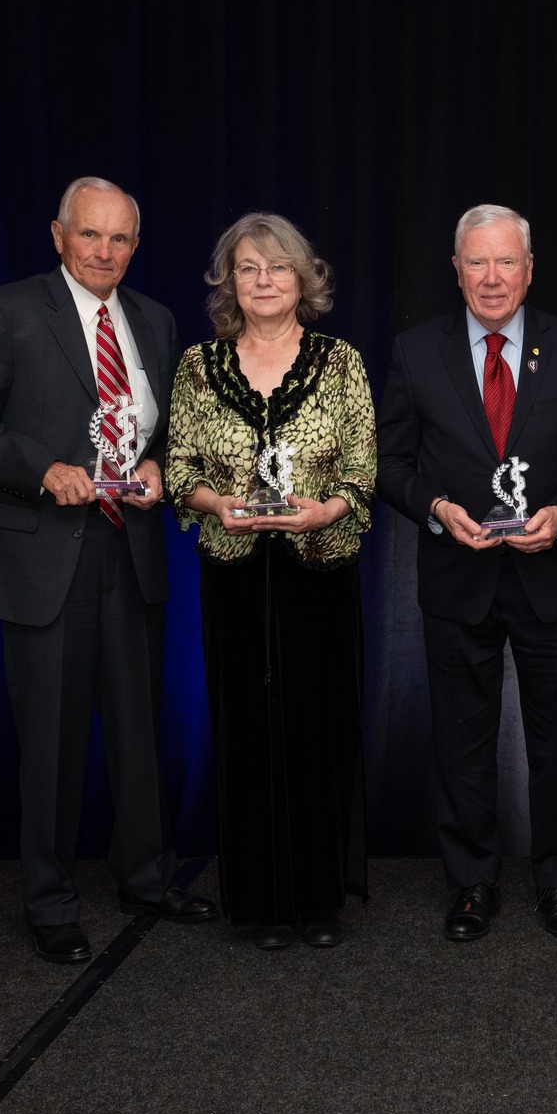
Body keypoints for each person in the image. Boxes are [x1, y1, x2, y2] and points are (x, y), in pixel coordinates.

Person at [0, 176, 218, 963]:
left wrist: (161, 465)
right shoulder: (8, 310)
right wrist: (41, 468)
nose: (105, 251)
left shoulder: (156, 321)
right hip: (43, 551)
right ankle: (50, 901)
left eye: (120, 238)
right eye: (89, 235)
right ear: (58, 236)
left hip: (129, 545)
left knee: (138, 730)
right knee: (51, 740)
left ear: (136, 244)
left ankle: (147, 877)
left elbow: (162, 430)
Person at [377, 204, 557, 941]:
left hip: (556, 579)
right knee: (462, 741)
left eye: (505, 261)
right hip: (459, 577)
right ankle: (473, 883)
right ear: (455, 269)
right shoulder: (418, 352)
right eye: (475, 262)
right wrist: (437, 506)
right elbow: (387, 461)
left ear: (529, 268)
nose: (491, 277)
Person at [165, 212, 377, 950]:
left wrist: (327, 509)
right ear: (230, 280)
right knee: (246, 734)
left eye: (278, 267)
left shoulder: (341, 361)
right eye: (249, 268)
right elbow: (178, 469)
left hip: (319, 573)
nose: (263, 281)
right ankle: (258, 903)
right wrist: (217, 503)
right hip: (233, 575)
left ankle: (319, 901)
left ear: (303, 278)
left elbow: (363, 469)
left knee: (319, 729)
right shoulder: (198, 366)